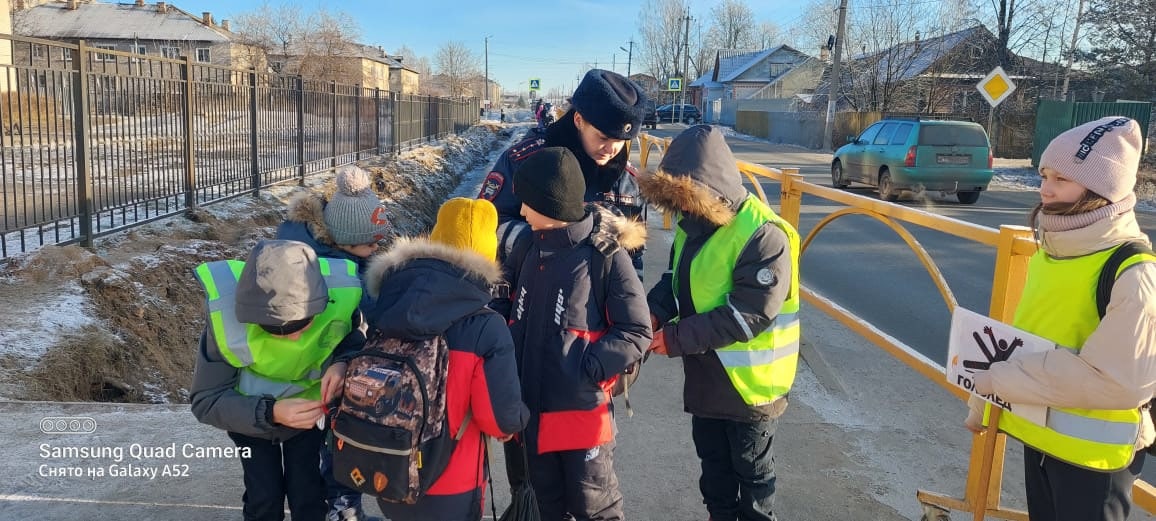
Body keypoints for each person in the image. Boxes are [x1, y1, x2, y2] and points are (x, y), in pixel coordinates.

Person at [964, 116, 1156, 521]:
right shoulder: (1052, 250)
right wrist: (987, 401)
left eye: (1062, 180)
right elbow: (1027, 340)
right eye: (1044, 174)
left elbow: (1119, 382)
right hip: (1043, 435)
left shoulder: (1133, 272)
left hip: (1095, 460)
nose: (1045, 188)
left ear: (1102, 190)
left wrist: (1000, 381)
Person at [640, 125, 801, 521]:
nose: (680, 211)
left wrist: (674, 338)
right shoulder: (694, 227)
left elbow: (750, 314)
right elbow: (676, 279)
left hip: (751, 390)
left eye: (686, 200)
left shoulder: (763, 235)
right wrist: (653, 311)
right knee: (714, 473)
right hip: (709, 379)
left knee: (753, 479)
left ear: (711, 190)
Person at [502, 147, 651, 521]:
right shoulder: (526, 247)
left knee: (594, 507)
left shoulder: (604, 256)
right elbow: (505, 306)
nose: (521, 212)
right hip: (531, 414)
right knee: (546, 505)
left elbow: (637, 330)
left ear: (551, 206)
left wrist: (588, 370)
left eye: (528, 203)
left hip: (582, 417)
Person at [362, 197, 530, 521]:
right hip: (451, 485)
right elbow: (499, 419)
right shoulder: (486, 327)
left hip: (388, 468)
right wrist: (520, 417)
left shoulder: (393, 301)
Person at [190, 239, 367, 521]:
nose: (294, 338)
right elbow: (205, 401)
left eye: (302, 324)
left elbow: (354, 338)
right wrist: (271, 412)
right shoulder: (224, 319)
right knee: (264, 497)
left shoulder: (342, 295)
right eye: (274, 330)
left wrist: (342, 362)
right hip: (249, 421)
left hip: (309, 417)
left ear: (321, 302)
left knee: (307, 492)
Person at [275, 164, 390, 521]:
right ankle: (341, 511)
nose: (377, 247)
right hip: (310, 370)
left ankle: (341, 508)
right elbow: (379, 311)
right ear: (343, 239)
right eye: (370, 242)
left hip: (337, 358)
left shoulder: (342, 250)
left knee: (333, 446)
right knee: (337, 444)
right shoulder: (329, 268)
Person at [477, 69, 650, 278]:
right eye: (603, 137)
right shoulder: (525, 162)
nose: (612, 149)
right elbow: (486, 222)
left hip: (592, 306)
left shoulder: (629, 182)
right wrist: (557, 241)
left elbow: (635, 259)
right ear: (578, 120)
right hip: (528, 292)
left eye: (621, 141)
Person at [276, 164, 391, 273]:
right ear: (343, 242)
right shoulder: (330, 272)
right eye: (370, 244)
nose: (376, 247)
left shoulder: (345, 253)